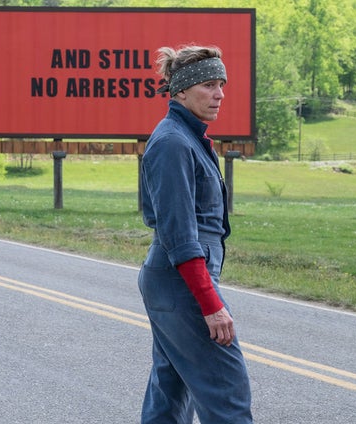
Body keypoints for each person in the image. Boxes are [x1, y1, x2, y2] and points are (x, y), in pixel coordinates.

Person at [137, 45, 253, 424]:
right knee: (227, 394)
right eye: (208, 84)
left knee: (170, 392)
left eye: (221, 84)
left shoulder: (186, 137)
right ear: (181, 91)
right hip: (181, 281)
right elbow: (180, 235)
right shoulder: (173, 143)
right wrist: (210, 302)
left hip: (174, 280)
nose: (219, 94)